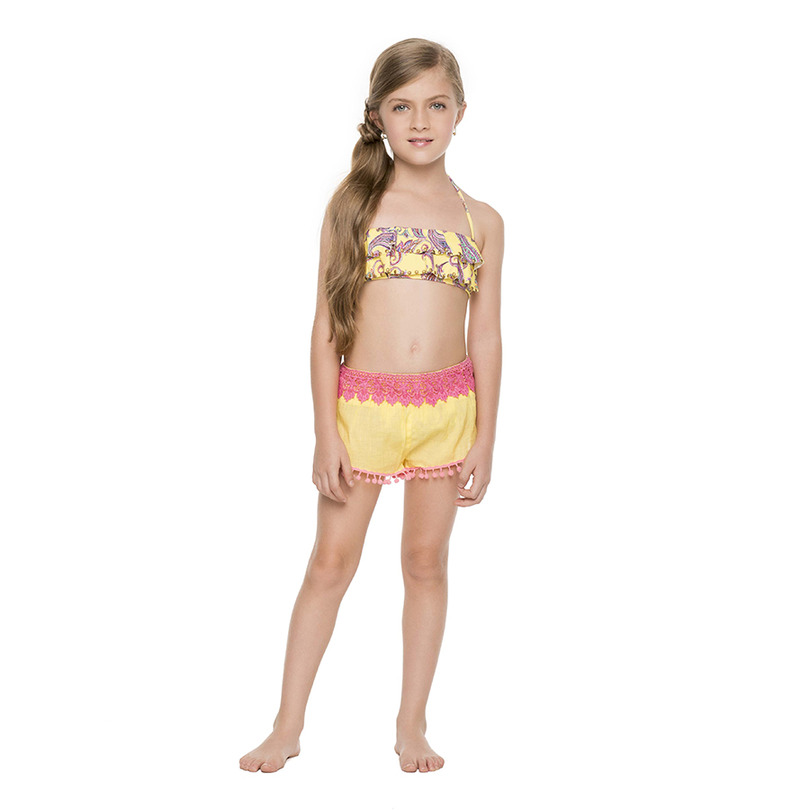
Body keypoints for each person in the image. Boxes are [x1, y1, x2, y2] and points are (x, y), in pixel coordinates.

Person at [239, 37, 503, 775]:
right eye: (402, 106)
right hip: (363, 412)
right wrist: (325, 433)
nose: (420, 121)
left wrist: (486, 436)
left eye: (436, 105)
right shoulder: (354, 206)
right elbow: (326, 327)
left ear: (460, 113)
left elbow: (486, 334)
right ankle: (287, 725)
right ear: (378, 115)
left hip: (448, 411)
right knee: (330, 563)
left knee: (425, 562)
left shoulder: (483, 221)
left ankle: (411, 726)